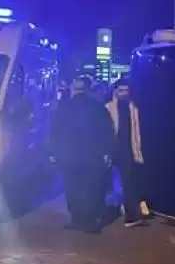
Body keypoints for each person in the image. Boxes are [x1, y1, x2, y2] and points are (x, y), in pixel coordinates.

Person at [51, 75, 114, 233]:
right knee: (92, 188)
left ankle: (76, 218)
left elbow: (54, 132)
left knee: (72, 187)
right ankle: (91, 220)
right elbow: (106, 131)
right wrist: (107, 152)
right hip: (92, 156)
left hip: (69, 156)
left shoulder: (63, 108)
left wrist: (53, 152)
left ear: (73, 90)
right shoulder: (98, 107)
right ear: (87, 90)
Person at [105, 77, 149, 227]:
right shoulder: (108, 108)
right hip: (113, 151)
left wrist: (138, 151)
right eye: (121, 90)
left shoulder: (133, 108)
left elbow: (137, 132)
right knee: (114, 184)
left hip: (128, 151)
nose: (124, 93)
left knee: (128, 183)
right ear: (115, 91)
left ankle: (131, 216)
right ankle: (120, 209)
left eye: (126, 90)